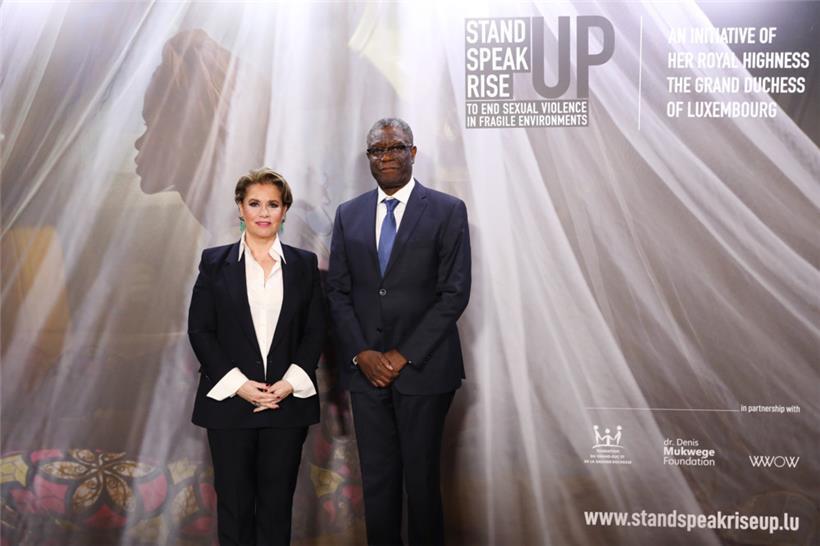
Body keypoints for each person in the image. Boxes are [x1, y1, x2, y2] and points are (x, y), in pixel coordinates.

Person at [327, 118, 471, 545]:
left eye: (395, 148)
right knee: (378, 482)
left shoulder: (447, 210)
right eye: (377, 151)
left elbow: (454, 293)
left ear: (413, 151)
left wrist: (401, 355)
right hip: (365, 372)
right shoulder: (348, 214)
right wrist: (362, 353)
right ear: (368, 158)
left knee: (422, 483)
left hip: (425, 371)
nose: (386, 157)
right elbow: (337, 291)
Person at [188, 168, 324, 545]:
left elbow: (315, 331)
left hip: (287, 404)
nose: (263, 212)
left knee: (277, 508)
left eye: (273, 204)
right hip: (230, 405)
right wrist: (240, 386)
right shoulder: (214, 262)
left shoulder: (304, 264)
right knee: (233, 508)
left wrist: (286, 385)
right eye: (254, 203)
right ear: (240, 208)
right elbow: (201, 331)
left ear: (284, 211)